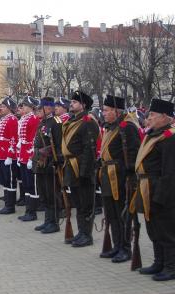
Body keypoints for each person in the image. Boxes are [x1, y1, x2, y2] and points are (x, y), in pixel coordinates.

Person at [130, 98, 175, 281]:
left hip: (162, 190)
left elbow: (170, 171)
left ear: (165, 117)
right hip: (147, 187)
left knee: (166, 231)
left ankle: (171, 266)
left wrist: (161, 196)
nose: (150, 118)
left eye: (154, 115)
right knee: (153, 229)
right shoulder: (153, 134)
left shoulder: (170, 138)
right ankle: (159, 262)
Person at [99, 95, 140, 263]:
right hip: (108, 174)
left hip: (121, 176)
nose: (104, 113)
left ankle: (125, 248)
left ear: (116, 111)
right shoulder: (110, 127)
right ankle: (116, 246)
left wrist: (127, 173)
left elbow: (133, 152)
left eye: (107, 110)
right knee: (111, 214)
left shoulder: (127, 127)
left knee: (122, 213)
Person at [61, 91, 100, 247]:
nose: (71, 104)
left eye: (75, 102)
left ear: (83, 105)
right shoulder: (73, 121)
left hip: (81, 168)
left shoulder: (88, 121)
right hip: (71, 166)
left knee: (85, 202)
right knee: (77, 201)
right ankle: (81, 232)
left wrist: (84, 172)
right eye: (71, 101)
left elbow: (88, 150)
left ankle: (87, 235)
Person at [33, 97, 63, 233]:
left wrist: (54, 162)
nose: (39, 110)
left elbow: (58, 145)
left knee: (52, 194)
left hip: (50, 163)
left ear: (49, 108)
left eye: (42, 108)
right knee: (44, 193)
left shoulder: (56, 122)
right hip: (40, 161)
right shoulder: (43, 122)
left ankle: (54, 222)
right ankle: (47, 220)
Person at [17, 96, 40, 222]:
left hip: (29, 154)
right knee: (26, 184)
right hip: (23, 154)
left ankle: (32, 212)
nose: (23, 107)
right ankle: (28, 210)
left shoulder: (33, 119)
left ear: (31, 107)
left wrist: (32, 157)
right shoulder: (24, 118)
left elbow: (34, 140)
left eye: (25, 105)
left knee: (32, 185)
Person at [0, 96, 18, 214]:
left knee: (10, 180)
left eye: (3, 106)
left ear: (9, 108)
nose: (1, 108)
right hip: (1, 154)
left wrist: (10, 155)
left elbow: (14, 138)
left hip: (8, 155)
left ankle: (10, 206)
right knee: (4, 180)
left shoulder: (12, 119)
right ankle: (7, 204)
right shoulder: (4, 119)